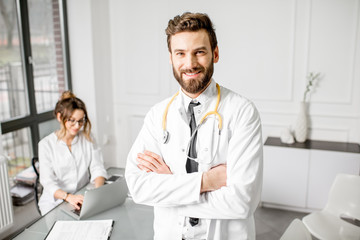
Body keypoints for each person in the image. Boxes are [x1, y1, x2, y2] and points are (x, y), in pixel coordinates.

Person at [125, 12, 263, 240]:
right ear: (171, 57)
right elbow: (138, 188)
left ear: (215, 54)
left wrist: (168, 189)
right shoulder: (157, 115)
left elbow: (242, 202)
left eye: (199, 52)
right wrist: (206, 181)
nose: (190, 64)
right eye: (180, 53)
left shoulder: (242, 112)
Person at [38, 91, 107, 215]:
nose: (77, 126)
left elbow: (98, 168)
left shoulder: (87, 138)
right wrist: (68, 197)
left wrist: (98, 193)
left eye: (81, 121)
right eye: (72, 120)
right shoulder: (45, 145)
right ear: (60, 117)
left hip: (82, 196)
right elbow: (47, 182)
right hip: (55, 202)